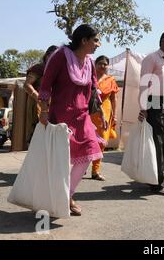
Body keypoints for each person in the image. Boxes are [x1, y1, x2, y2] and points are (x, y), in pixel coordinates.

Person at [38, 24, 106, 216]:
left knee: (92, 151)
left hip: (82, 116)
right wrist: (43, 110)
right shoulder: (60, 55)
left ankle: (66, 195)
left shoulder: (90, 62)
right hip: (60, 116)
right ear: (83, 40)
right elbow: (46, 84)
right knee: (60, 160)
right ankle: (56, 197)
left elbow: (93, 87)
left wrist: (99, 111)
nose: (98, 45)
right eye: (95, 40)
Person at [138, 31, 164, 196]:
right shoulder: (152, 58)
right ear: (162, 41)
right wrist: (143, 107)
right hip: (154, 101)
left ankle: (154, 174)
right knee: (158, 141)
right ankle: (157, 183)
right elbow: (143, 83)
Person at [90, 55, 119, 181]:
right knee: (87, 140)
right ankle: (81, 165)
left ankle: (95, 171)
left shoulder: (111, 80)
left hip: (105, 112)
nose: (102, 66)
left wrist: (115, 115)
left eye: (105, 64)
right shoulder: (89, 77)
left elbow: (113, 98)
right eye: (100, 63)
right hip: (89, 111)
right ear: (95, 65)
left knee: (100, 142)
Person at [24, 45, 58, 143]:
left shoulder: (57, 71)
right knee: (38, 135)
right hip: (38, 106)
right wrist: (39, 99)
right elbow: (27, 85)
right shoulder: (39, 68)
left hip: (53, 107)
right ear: (47, 56)